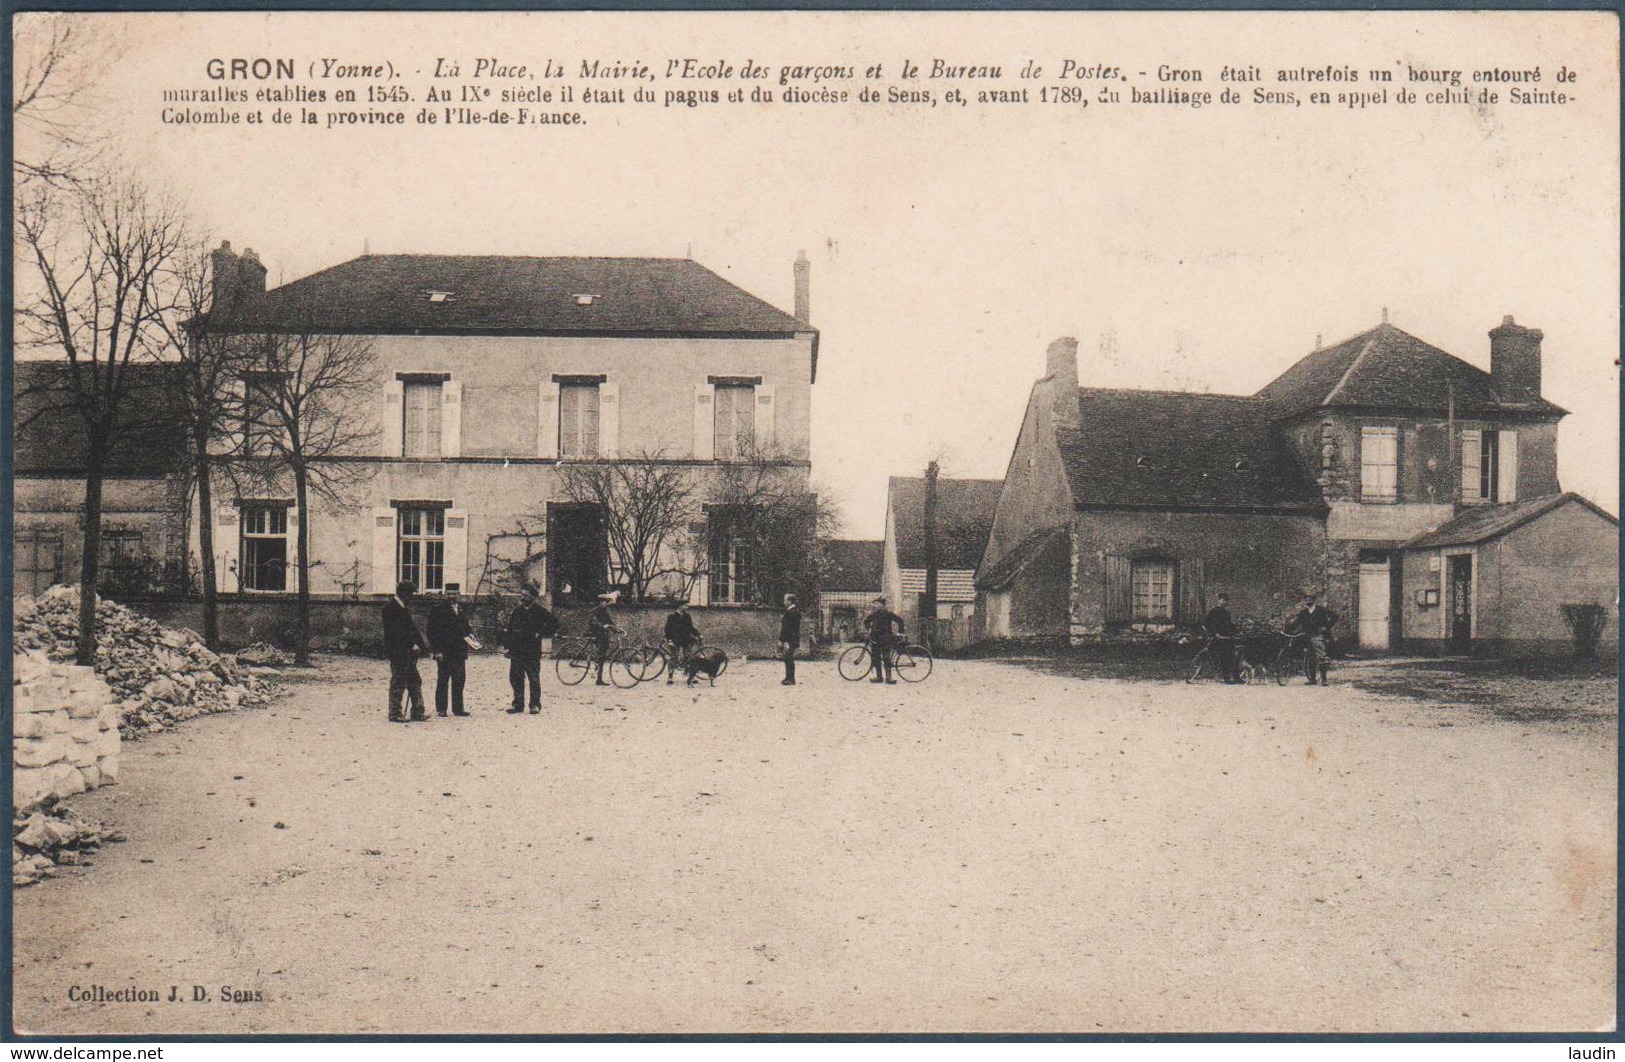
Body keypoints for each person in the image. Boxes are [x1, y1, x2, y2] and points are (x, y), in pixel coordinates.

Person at [503, 583, 557, 713]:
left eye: (526, 595)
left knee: (533, 678)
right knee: (515, 678)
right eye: (521, 595)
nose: (522, 597)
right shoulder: (517, 611)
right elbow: (509, 629)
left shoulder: (540, 611)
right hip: (516, 651)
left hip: (532, 651)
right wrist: (507, 646)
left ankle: (534, 704)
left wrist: (541, 632)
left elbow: (554, 623)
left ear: (533, 597)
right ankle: (518, 704)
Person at [382, 580, 430, 723]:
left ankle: (417, 712)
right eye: (411, 594)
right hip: (398, 653)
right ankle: (394, 713)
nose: (412, 597)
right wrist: (411, 644)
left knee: (414, 680)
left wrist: (420, 644)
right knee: (399, 681)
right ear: (404, 594)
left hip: (408, 653)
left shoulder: (403, 608)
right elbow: (396, 633)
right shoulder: (390, 608)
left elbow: (411, 630)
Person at [427, 586, 474, 716]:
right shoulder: (437, 610)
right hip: (444, 652)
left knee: (459, 680)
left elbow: (466, 627)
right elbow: (432, 632)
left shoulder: (462, 609)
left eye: (454, 593)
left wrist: (471, 636)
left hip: (459, 651)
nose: (452, 596)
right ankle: (441, 709)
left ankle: (458, 708)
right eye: (449, 593)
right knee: (443, 679)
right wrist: (437, 651)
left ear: (459, 594)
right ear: (445, 594)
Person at [1285, 592, 1338, 686]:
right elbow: (1296, 623)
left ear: (1314, 600)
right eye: (1306, 599)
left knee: (1321, 656)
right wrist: (1288, 630)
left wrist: (1326, 627)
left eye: (1310, 599)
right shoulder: (1303, 613)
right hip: (1307, 637)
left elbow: (1335, 616)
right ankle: (1312, 679)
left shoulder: (1321, 610)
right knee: (1310, 657)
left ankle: (1324, 680)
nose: (1308, 601)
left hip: (1318, 635)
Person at [863, 596, 906, 684]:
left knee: (886, 658)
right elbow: (866, 621)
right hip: (875, 639)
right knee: (876, 658)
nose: (875, 606)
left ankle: (889, 678)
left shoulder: (888, 613)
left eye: (877, 604)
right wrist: (869, 629)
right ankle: (879, 677)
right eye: (875, 604)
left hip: (885, 639)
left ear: (882, 605)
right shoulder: (874, 614)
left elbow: (900, 620)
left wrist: (900, 632)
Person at [1203, 592, 1242, 684]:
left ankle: (1237, 677)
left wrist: (1237, 631)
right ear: (1219, 600)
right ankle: (1227, 678)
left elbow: (1229, 625)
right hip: (1218, 638)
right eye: (1222, 600)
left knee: (1235, 657)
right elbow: (1207, 624)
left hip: (1227, 637)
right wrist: (1214, 633)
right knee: (1225, 658)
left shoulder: (1227, 613)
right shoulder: (1213, 612)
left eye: (1226, 601)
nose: (1224, 602)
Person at [663, 603, 701, 686]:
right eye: (685, 605)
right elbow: (667, 629)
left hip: (686, 639)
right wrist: (669, 640)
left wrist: (698, 634)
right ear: (679, 606)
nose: (687, 607)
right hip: (675, 640)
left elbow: (690, 628)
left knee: (689, 657)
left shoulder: (687, 616)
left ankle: (691, 676)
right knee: (674, 657)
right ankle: (670, 677)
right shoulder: (672, 616)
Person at [587, 593, 620, 687]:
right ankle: (598, 679)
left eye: (607, 602)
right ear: (600, 602)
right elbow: (593, 622)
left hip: (603, 635)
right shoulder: (595, 611)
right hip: (596, 634)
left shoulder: (604, 611)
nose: (606, 604)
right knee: (601, 656)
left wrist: (617, 630)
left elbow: (610, 622)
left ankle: (599, 677)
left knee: (603, 656)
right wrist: (603, 625)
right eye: (605, 602)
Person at [779, 593, 803, 685]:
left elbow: (788, 628)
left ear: (790, 601)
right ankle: (788, 677)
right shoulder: (792, 611)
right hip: (790, 639)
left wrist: (784, 640)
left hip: (790, 640)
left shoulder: (793, 612)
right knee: (787, 658)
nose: (784, 602)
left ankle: (791, 679)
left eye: (785, 600)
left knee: (789, 658)